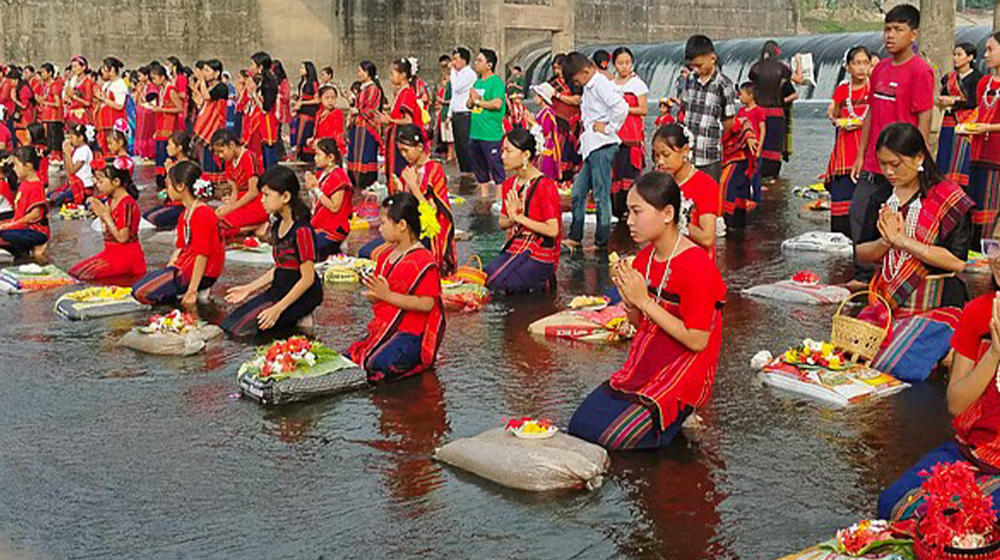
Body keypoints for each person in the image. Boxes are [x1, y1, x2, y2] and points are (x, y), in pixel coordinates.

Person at [568, 171, 726, 450]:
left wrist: (644, 301)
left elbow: (698, 340)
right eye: (628, 212)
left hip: (682, 368)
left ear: (667, 213)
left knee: (613, 440)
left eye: (637, 212)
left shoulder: (697, 266)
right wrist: (630, 301)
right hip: (645, 362)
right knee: (580, 426)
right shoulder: (645, 258)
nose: (628, 221)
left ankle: (682, 416)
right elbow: (639, 322)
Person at [877, 237, 1000, 521]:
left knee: (972, 523)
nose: (998, 258)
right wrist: (994, 352)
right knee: (894, 505)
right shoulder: (978, 312)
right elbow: (956, 404)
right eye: (994, 246)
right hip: (972, 453)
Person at [856, 123, 973, 382]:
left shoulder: (948, 198)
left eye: (895, 165)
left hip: (937, 302)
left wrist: (903, 241)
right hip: (888, 302)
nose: (888, 172)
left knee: (894, 366)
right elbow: (862, 252)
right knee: (853, 354)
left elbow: (957, 262)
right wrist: (886, 242)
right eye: (883, 164)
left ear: (919, 157)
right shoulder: (882, 197)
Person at [850, 4, 935, 284]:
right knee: (859, 214)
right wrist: (860, 155)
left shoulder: (920, 71)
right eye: (887, 29)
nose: (890, 35)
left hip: (902, 164)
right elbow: (871, 113)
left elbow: (924, 118)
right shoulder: (880, 69)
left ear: (914, 34)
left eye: (898, 29)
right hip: (873, 162)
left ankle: (892, 277)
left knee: (899, 221)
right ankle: (863, 277)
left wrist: (919, 161)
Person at [349, 192, 445, 383]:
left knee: (378, 365)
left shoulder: (424, 261)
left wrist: (386, 295)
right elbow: (384, 294)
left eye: (384, 223)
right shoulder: (385, 256)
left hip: (412, 331)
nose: (379, 228)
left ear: (401, 225)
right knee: (352, 357)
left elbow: (426, 304)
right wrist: (375, 295)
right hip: (387, 324)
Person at [222, 166, 323, 337]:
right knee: (231, 325)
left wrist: (278, 309)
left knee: (247, 331)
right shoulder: (277, 225)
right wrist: (248, 288)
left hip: (302, 295)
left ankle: (300, 319)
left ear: (285, 196)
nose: (262, 200)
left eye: (267, 195)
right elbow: (280, 267)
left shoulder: (302, 231)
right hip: (279, 289)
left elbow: (307, 279)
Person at [361, 125, 456, 275]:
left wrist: (412, 185)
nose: (404, 155)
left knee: (376, 255)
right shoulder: (409, 170)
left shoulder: (434, 169)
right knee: (365, 252)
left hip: (428, 235)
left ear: (419, 147)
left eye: (406, 150)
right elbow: (407, 209)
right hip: (408, 231)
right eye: (401, 151)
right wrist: (402, 190)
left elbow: (432, 213)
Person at [133, 161, 224, 307]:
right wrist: (168, 271)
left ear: (181, 186)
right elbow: (180, 247)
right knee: (137, 289)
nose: (167, 189)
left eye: (169, 185)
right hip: (185, 265)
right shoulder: (186, 213)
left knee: (143, 293)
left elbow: (202, 254)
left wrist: (192, 290)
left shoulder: (202, 213)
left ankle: (192, 292)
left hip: (204, 271)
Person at [561, 52, 628, 251]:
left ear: (585, 71)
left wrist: (608, 128)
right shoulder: (591, 85)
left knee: (600, 195)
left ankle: (601, 242)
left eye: (576, 79)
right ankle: (575, 237)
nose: (576, 83)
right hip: (592, 147)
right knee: (578, 192)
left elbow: (621, 107)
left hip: (603, 145)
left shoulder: (600, 84)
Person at [485, 127, 561, 294]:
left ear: (526, 155)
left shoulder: (544, 185)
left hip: (540, 251)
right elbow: (502, 223)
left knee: (503, 285)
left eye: (508, 151)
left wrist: (519, 218)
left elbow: (553, 230)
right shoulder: (509, 185)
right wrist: (512, 218)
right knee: (486, 277)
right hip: (517, 246)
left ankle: (543, 282)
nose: (502, 156)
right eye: (502, 150)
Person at [68, 156, 145, 281]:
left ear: (116, 182)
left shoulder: (127, 203)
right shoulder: (110, 200)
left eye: (101, 181)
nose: (98, 186)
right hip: (111, 254)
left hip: (127, 258)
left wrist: (105, 215)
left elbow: (122, 238)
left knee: (87, 277)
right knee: (74, 273)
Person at [652, 124, 722, 258]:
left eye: (666, 155)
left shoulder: (704, 185)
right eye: (656, 156)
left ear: (685, 151)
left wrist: (679, 221)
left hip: (695, 260)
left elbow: (707, 238)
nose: (660, 161)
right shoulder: (662, 182)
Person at [676, 35, 737, 183]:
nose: (696, 70)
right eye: (692, 66)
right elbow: (684, 105)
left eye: (699, 65)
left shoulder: (724, 85)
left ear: (712, 58)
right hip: (688, 153)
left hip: (709, 155)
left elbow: (729, 119)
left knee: (708, 195)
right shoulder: (690, 79)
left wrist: (717, 139)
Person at [825, 46, 872, 237]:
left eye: (865, 63)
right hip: (845, 148)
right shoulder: (843, 90)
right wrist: (835, 119)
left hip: (867, 146)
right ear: (848, 66)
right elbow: (834, 113)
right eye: (857, 63)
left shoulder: (875, 88)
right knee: (842, 195)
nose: (861, 68)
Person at [959, 32, 1000, 249]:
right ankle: (975, 254)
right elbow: (979, 110)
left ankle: (991, 259)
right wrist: (969, 125)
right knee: (975, 206)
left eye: (991, 49)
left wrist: (989, 128)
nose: (985, 55)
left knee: (992, 210)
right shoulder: (984, 82)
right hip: (977, 153)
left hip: (997, 157)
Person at [935, 43, 981, 188]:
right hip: (949, 121)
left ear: (970, 57)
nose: (955, 58)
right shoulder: (949, 78)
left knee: (961, 159)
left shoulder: (977, 78)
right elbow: (943, 96)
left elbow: (975, 102)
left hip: (965, 122)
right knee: (945, 156)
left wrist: (954, 100)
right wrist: (941, 102)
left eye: (959, 55)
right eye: (954, 54)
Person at [611, 47, 649, 219]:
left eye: (627, 63)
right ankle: (616, 209)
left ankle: (632, 209)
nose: (624, 67)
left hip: (631, 136)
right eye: (620, 63)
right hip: (614, 135)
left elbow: (643, 109)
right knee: (615, 173)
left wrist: (624, 109)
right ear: (615, 65)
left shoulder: (637, 84)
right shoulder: (611, 85)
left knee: (630, 173)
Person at [211, 128, 267, 240]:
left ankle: (255, 226)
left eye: (222, 151)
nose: (220, 156)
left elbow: (254, 191)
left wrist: (231, 208)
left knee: (220, 228)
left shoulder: (248, 157)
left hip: (256, 202)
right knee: (213, 219)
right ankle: (251, 227)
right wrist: (228, 207)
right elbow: (234, 190)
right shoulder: (228, 162)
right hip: (241, 201)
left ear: (231, 145)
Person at [749, 40, 793, 181]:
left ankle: (757, 172)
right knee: (774, 144)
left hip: (759, 110)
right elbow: (795, 79)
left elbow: (752, 83)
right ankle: (773, 174)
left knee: (758, 140)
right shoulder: (783, 68)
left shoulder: (755, 68)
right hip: (776, 111)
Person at [467, 48, 506, 197]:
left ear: (489, 65)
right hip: (475, 131)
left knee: (495, 164)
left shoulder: (496, 82)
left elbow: (497, 104)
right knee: (479, 166)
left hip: (490, 133)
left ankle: (499, 197)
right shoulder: (477, 82)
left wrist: (478, 100)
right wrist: (471, 100)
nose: (476, 63)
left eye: (479, 61)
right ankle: (484, 196)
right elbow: (469, 105)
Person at [306, 138, 352, 260]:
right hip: (321, 224)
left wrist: (315, 189)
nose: (315, 158)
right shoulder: (324, 174)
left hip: (333, 229)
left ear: (330, 157)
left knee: (306, 251)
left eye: (318, 155)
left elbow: (334, 206)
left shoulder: (338, 176)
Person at [0, 147, 49, 258]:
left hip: (35, 231)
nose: (15, 169)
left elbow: (35, 215)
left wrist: (12, 225)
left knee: (3, 233)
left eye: (17, 166)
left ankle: (35, 246)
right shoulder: (24, 183)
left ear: (28, 166)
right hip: (22, 227)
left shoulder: (36, 186)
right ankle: (23, 250)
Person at [381, 58, 424, 183]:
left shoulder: (407, 93)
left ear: (403, 74)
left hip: (404, 138)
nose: (391, 77)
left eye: (392, 73)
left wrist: (390, 120)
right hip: (398, 136)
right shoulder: (401, 92)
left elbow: (408, 120)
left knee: (401, 170)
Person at [346, 60, 384, 190]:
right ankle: (355, 179)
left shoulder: (373, 89)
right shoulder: (363, 89)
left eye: (360, 70)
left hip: (366, 127)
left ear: (367, 73)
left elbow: (372, 109)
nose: (358, 73)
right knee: (356, 153)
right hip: (357, 126)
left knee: (365, 154)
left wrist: (358, 111)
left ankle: (365, 181)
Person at [144, 131, 192, 230]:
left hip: (181, 205)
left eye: (170, 145)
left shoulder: (186, 165)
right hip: (170, 203)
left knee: (155, 219)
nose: (167, 148)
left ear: (179, 148)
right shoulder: (173, 163)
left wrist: (170, 171)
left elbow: (177, 189)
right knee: (146, 216)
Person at [191, 59, 228, 182]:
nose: (205, 73)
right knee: (206, 157)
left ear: (217, 73)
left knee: (214, 156)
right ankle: (207, 183)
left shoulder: (221, 87)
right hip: (207, 125)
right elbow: (202, 103)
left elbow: (207, 97)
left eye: (207, 71)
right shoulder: (211, 87)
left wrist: (201, 80)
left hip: (214, 126)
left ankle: (216, 183)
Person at [148, 62, 183, 191]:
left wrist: (161, 109)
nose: (154, 81)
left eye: (155, 78)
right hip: (161, 127)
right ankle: (161, 180)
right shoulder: (162, 90)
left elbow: (180, 108)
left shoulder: (171, 89)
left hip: (169, 128)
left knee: (167, 153)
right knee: (161, 154)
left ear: (163, 77)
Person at [549, 54, 583, 183]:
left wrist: (557, 95)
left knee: (571, 149)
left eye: (559, 68)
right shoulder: (552, 82)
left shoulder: (573, 81)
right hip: (556, 120)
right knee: (557, 151)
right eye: (555, 68)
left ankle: (570, 177)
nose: (557, 72)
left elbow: (577, 99)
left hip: (572, 122)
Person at [449, 47, 477, 180]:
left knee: (466, 145)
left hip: (465, 113)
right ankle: (463, 171)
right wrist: (449, 114)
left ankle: (470, 171)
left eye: (456, 59)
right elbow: (454, 96)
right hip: (456, 113)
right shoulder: (457, 74)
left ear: (464, 60)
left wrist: (452, 71)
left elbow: (457, 86)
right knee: (458, 145)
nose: (454, 62)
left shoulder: (469, 74)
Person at [50, 123, 94, 206]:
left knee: (56, 199)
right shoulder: (77, 150)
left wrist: (67, 154)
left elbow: (72, 170)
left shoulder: (85, 150)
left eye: (72, 137)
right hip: (74, 184)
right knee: (51, 195)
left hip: (82, 185)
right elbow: (67, 168)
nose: (70, 140)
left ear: (81, 138)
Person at [525, 82, 561, 181]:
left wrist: (532, 122)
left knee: (545, 171)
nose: (534, 98)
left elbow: (545, 132)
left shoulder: (548, 113)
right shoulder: (543, 112)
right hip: (542, 145)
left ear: (542, 98)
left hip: (546, 146)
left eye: (536, 95)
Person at [737, 82, 765, 205]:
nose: (739, 97)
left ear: (751, 95)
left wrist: (759, 147)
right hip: (743, 149)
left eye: (742, 94)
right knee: (743, 175)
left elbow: (762, 129)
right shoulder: (741, 111)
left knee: (755, 176)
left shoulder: (758, 111)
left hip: (754, 149)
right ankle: (745, 199)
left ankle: (757, 200)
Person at [94, 57, 127, 155]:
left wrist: (104, 99)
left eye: (104, 68)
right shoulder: (107, 84)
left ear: (112, 69)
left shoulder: (120, 84)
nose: (102, 71)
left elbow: (120, 105)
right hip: (104, 123)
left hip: (113, 122)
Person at [291, 61, 320, 161]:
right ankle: (298, 153)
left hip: (309, 112)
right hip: (301, 111)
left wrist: (303, 103)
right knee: (298, 132)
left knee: (304, 132)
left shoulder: (313, 83)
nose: (300, 70)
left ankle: (305, 155)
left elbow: (317, 100)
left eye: (303, 68)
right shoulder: (302, 83)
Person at [311, 84, 346, 161]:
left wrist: (321, 141)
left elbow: (337, 133)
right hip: (320, 150)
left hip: (333, 149)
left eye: (333, 98)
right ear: (320, 99)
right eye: (327, 98)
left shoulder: (337, 113)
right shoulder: (318, 114)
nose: (330, 100)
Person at [38, 63, 65, 160]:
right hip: (47, 116)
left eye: (43, 72)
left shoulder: (54, 85)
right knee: (49, 140)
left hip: (54, 117)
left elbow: (58, 104)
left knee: (54, 142)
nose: (41, 75)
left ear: (50, 73)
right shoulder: (46, 85)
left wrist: (45, 103)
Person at [132, 65, 156, 160]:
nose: (139, 78)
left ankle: (147, 153)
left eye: (140, 76)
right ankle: (141, 152)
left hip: (148, 113)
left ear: (146, 76)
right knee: (140, 133)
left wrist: (140, 92)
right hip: (141, 113)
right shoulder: (143, 86)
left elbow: (148, 100)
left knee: (146, 133)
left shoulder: (151, 87)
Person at [64, 55, 95, 127]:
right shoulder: (74, 80)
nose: (73, 69)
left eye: (75, 66)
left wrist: (74, 96)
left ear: (83, 67)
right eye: (72, 67)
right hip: (73, 113)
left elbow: (88, 103)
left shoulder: (87, 82)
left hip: (83, 115)